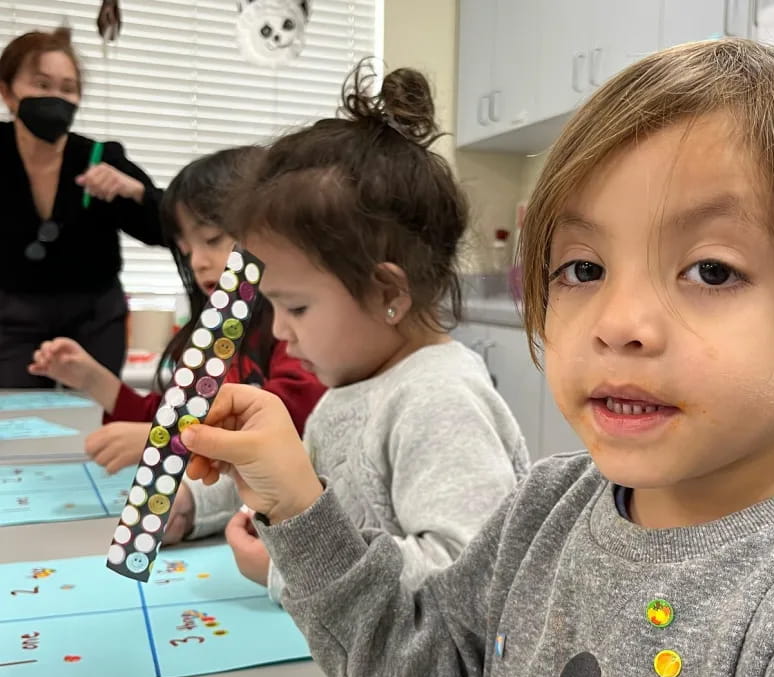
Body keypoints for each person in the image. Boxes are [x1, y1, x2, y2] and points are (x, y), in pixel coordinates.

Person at [183, 39, 774, 677]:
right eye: (583, 268)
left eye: (711, 270)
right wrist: (296, 505)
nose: (618, 323)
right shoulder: (546, 509)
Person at [186, 63, 530, 600]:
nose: (280, 331)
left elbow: (466, 581)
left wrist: (289, 569)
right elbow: (299, 490)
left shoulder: (438, 401)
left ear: (388, 292)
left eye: (296, 307)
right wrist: (193, 506)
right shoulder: (354, 386)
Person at [29, 146, 326, 543]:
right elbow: (174, 410)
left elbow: (288, 416)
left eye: (212, 240)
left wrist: (163, 438)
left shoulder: (294, 329)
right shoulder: (218, 333)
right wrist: (93, 379)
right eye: (186, 251)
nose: (198, 261)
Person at [0, 27, 164, 387]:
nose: (56, 97)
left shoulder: (100, 157)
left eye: (68, 88)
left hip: (95, 317)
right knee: (15, 411)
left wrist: (136, 192)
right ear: (7, 92)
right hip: (11, 317)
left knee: (94, 409)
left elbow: (167, 228)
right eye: (42, 85)